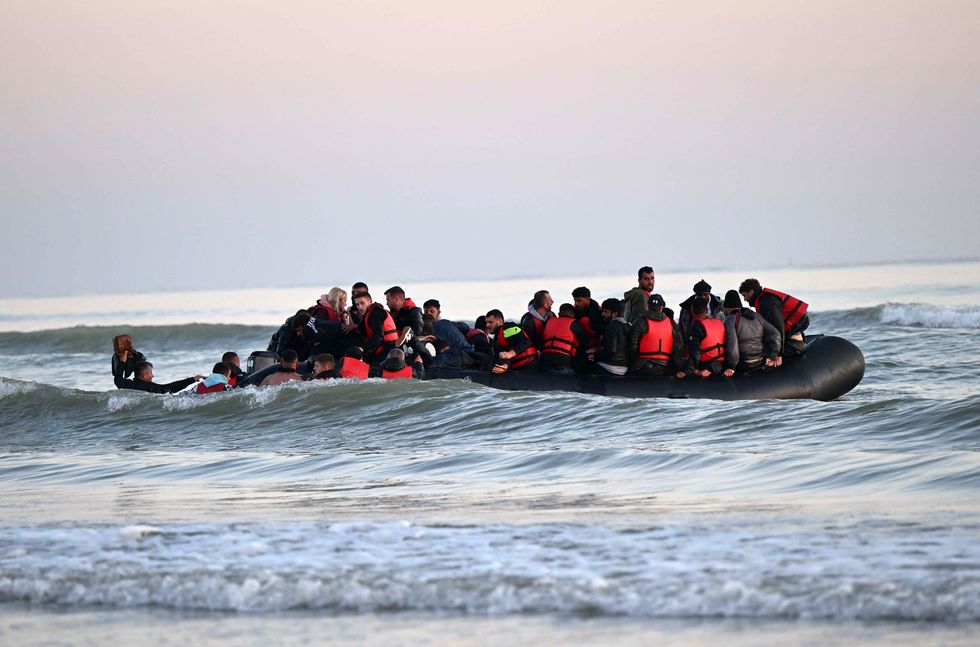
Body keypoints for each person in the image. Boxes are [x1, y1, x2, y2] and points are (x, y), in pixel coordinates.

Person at [739, 278, 810, 359]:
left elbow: (778, 327)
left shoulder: (767, 302)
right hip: (792, 337)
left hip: (793, 345)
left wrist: (777, 354)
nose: (744, 299)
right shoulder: (764, 300)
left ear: (751, 292)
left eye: (744, 295)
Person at [721, 290, 781, 376]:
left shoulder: (729, 320)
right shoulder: (756, 316)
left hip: (743, 365)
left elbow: (732, 346)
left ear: (726, 308)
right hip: (760, 361)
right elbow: (776, 334)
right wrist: (772, 355)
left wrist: (731, 366)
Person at [630, 294, 685, 377]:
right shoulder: (670, 325)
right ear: (661, 307)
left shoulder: (640, 322)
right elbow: (678, 349)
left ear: (647, 306)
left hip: (642, 366)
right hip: (664, 367)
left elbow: (632, 347)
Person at [539, 303, 589, 374]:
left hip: (545, 356)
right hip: (563, 359)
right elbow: (585, 345)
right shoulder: (575, 324)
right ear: (573, 314)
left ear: (559, 314)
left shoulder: (549, 321)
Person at [485, 309, 538, 373]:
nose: (487, 325)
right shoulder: (496, 338)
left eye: (490, 322)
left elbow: (526, 342)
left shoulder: (507, 328)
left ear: (500, 321)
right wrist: (505, 366)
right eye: (486, 322)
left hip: (530, 364)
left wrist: (510, 354)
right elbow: (503, 356)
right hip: (518, 368)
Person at [685, 300, 726, 377]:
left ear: (692, 311)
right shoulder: (719, 323)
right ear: (706, 310)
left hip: (706, 367)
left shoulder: (697, 326)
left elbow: (695, 353)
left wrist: (687, 371)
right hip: (722, 366)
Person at [354, 291, 398, 362]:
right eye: (357, 305)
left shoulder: (375, 314)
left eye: (362, 303)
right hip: (383, 346)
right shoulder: (368, 314)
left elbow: (378, 335)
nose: (360, 307)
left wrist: (364, 348)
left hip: (388, 348)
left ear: (370, 301)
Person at [592, 298, 630, 376]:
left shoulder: (612, 326)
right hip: (624, 367)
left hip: (610, 367)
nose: (602, 314)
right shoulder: (627, 325)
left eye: (606, 312)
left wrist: (595, 355)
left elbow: (611, 350)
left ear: (615, 314)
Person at [115, 361, 202, 394]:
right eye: (151, 373)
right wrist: (192, 379)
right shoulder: (151, 388)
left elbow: (117, 380)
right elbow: (170, 388)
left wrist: (122, 361)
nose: (153, 375)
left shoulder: (128, 384)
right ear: (145, 375)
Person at [385, 286, 425, 355]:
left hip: (409, 353)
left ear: (397, 299)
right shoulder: (394, 314)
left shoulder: (414, 312)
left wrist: (396, 334)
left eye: (388, 300)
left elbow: (417, 333)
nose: (387, 303)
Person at [572, 287, 605, 351]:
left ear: (587, 299)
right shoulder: (574, 311)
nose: (576, 303)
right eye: (575, 300)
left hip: (596, 347)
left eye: (579, 301)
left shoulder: (600, 312)